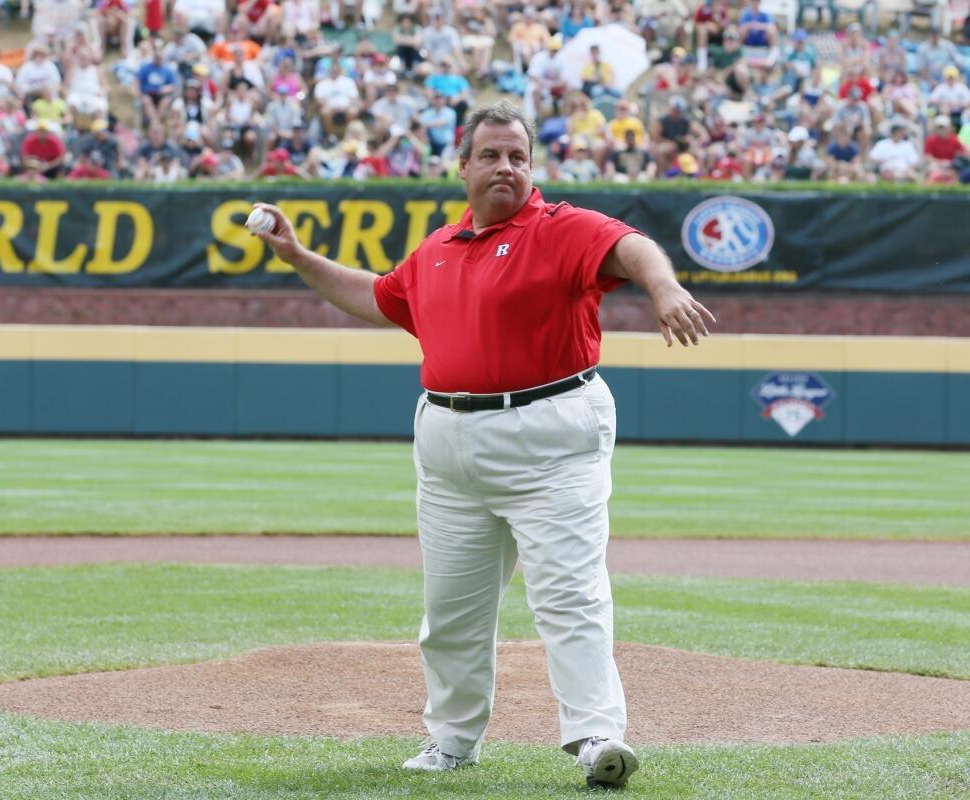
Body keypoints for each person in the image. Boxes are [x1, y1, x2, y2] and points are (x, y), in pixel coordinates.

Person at [246, 100, 714, 790]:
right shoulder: (436, 250)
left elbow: (634, 247)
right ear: (462, 167)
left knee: (570, 594)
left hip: (551, 432)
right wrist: (294, 255)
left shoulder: (560, 228)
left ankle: (595, 736)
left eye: (518, 156)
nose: (506, 167)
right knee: (452, 611)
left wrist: (665, 286)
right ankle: (453, 741)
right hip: (448, 440)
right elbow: (377, 297)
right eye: (490, 155)